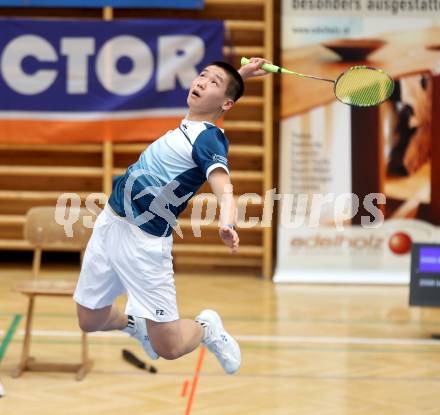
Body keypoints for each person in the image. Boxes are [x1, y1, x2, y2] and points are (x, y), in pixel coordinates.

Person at [73, 57, 270, 375]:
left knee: (171, 348)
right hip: (110, 223)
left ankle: (207, 328)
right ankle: (135, 324)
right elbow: (218, 99)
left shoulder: (209, 138)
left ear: (226, 103)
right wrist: (239, 76)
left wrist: (227, 220)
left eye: (214, 83)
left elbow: (223, 184)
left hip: (145, 243)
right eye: (203, 76)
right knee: (90, 319)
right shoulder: (190, 124)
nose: (203, 82)